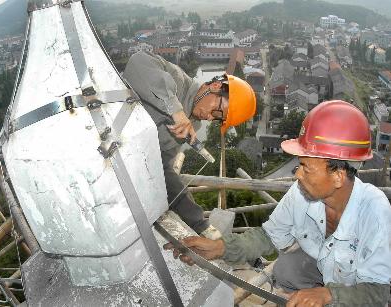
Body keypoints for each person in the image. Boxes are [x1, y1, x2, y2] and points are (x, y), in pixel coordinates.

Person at [165, 100, 391, 306]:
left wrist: (329, 295)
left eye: (306, 167)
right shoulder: (301, 193)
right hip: (324, 265)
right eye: (298, 165)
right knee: (284, 270)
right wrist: (220, 248)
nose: (297, 176)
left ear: (338, 176)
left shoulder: (376, 212)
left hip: (354, 287)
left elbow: (379, 292)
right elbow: (267, 237)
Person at [123, 51, 256, 239]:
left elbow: (161, 166)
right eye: (217, 112)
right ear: (216, 86)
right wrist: (176, 111)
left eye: (218, 120)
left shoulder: (193, 125)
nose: (210, 118)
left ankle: (200, 226)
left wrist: (197, 220)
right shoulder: (178, 81)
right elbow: (138, 61)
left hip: (122, 164)